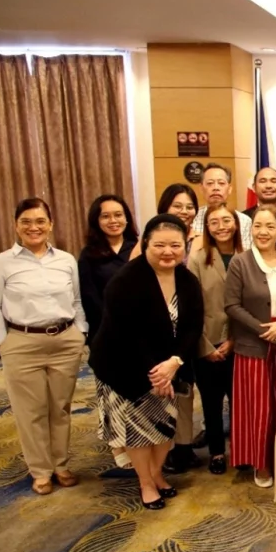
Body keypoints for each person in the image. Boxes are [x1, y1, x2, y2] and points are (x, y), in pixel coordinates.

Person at [90, 214, 204, 508]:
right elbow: (126, 334)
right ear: (145, 245)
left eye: (175, 245)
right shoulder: (125, 281)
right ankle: (146, 483)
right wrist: (155, 373)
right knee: (137, 431)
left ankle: (156, 473)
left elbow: (193, 327)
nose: (168, 252)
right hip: (122, 367)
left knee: (164, 427)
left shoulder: (187, 280)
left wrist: (174, 362)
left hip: (167, 366)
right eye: (159, 245)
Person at [0, 198, 88, 496]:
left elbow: (76, 300)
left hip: (65, 340)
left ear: (51, 224)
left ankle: (60, 465)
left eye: (40, 221)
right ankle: (41, 471)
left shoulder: (66, 260)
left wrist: (81, 331)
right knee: (30, 411)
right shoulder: (0, 263)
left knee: (60, 407)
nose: (34, 227)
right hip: (21, 343)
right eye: (27, 222)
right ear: (16, 225)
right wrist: (2, 341)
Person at [225, 205, 276, 488]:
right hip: (253, 345)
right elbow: (231, 305)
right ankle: (261, 463)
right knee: (258, 408)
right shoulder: (240, 262)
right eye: (257, 226)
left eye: (270, 226)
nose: (263, 232)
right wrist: (263, 329)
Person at [186, 202, 244, 474]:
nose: (221, 227)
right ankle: (217, 452)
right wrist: (205, 346)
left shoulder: (247, 255)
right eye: (214, 222)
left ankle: (241, 450)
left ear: (236, 224)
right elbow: (190, 305)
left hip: (240, 340)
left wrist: (234, 340)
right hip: (206, 341)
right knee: (211, 401)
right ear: (207, 227)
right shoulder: (198, 258)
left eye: (226, 221)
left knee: (239, 401)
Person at [78, 194, 138, 345]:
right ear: (96, 221)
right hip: (104, 330)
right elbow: (89, 297)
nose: (113, 221)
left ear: (126, 218)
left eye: (118, 215)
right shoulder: (88, 254)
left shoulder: (139, 249)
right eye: (105, 216)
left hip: (140, 328)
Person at [190, 163, 253, 249]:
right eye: (210, 183)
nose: (216, 188)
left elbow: (246, 253)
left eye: (221, 183)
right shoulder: (192, 218)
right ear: (201, 188)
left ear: (229, 189)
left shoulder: (244, 221)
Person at [131, 184, 200, 260]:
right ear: (165, 207)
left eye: (189, 207)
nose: (184, 211)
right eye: (177, 206)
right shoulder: (150, 239)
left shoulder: (202, 241)